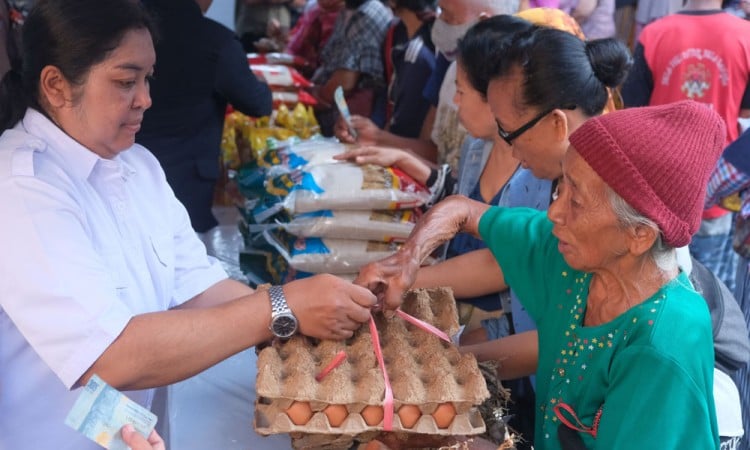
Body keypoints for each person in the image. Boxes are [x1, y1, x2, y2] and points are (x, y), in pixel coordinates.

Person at [0, 1, 376, 448]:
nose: (145, 99)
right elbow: (109, 355)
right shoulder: (22, 188)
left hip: (129, 431)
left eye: (147, 78)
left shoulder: (137, 166)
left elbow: (197, 287)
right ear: (56, 86)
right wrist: (282, 306)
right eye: (125, 81)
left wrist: (302, 320)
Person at [357, 100, 723, 450]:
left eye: (575, 201)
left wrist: (460, 443)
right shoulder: (574, 258)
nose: (554, 214)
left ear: (639, 235)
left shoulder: (662, 345)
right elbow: (462, 211)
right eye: (560, 188)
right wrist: (407, 260)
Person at [621, 0, 750, 293]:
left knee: (658, 290)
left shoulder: (654, 33)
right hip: (717, 187)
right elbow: (746, 120)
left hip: (656, 192)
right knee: (711, 294)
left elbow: (632, 113)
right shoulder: (746, 34)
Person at [136, 0, 272, 233]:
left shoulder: (121, 32)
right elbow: (257, 103)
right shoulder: (215, 40)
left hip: (123, 161)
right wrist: (263, 86)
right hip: (186, 176)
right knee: (181, 252)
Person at [335, 0, 520, 167]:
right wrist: (376, 138)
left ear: (483, 24)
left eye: (448, 15)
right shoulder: (450, 70)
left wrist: (394, 152)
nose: (437, 20)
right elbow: (435, 150)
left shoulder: (506, 104)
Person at [284, 0, 344, 78]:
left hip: (325, 80)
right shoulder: (313, 10)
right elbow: (293, 46)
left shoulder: (347, 18)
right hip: (299, 73)